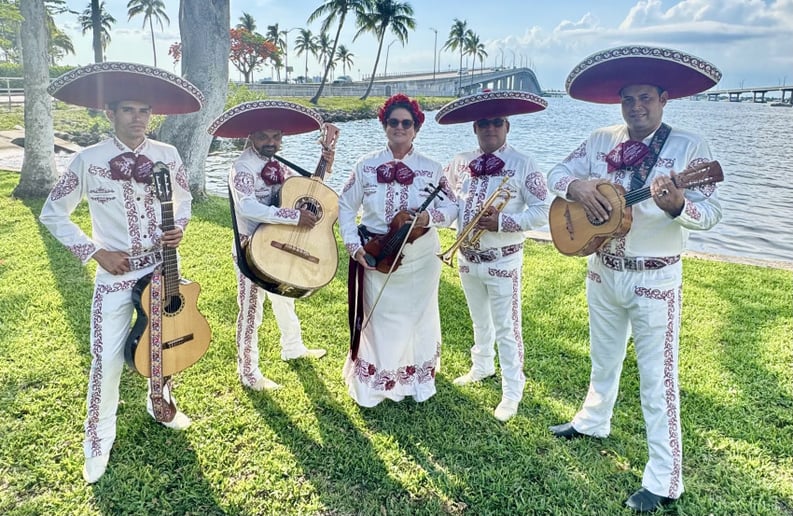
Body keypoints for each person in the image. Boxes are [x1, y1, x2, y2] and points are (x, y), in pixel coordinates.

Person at [546, 45, 723, 512]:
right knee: (602, 361)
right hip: (603, 271)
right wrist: (578, 186)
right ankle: (592, 420)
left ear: (664, 99)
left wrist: (679, 206)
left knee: (657, 382)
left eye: (646, 98)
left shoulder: (690, 149)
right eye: (629, 99)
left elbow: (712, 212)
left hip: (655, 281)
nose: (636, 107)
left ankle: (664, 481)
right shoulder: (601, 139)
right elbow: (557, 172)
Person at [40, 62, 205, 483]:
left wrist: (179, 228)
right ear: (110, 114)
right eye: (128, 110)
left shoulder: (167, 156)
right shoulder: (87, 160)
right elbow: (52, 214)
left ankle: (161, 404)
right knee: (108, 359)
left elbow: (184, 200)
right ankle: (98, 440)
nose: (138, 118)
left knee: (166, 343)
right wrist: (95, 252)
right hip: (115, 275)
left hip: (163, 268)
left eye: (144, 111)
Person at [436, 90, 550, 421]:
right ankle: (482, 366)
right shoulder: (459, 162)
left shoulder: (523, 163)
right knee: (479, 320)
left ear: (507, 126)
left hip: (503, 259)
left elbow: (544, 210)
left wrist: (502, 220)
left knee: (507, 328)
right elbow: (448, 200)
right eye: (483, 124)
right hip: (467, 257)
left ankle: (513, 389)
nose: (490, 129)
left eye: (496, 123)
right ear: (475, 128)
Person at [338, 93, 457, 407]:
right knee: (380, 319)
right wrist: (353, 246)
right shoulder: (365, 165)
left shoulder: (432, 168)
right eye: (394, 122)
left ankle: (414, 380)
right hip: (378, 252)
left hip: (420, 255)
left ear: (416, 127)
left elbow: (454, 206)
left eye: (407, 123)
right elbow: (345, 206)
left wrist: (429, 217)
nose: (400, 128)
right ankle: (376, 382)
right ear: (385, 125)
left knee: (418, 318)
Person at [208, 100, 332, 391]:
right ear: (251, 136)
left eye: (276, 137)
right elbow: (248, 206)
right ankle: (248, 372)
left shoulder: (278, 166)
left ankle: (293, 346)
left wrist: (327, 158)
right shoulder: (242, 168)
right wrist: (292, 216)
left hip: (277, 244)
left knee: (285, 299)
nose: (271, 142)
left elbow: (306, 189)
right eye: (264, 136)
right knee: (251, 309)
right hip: (250, 247)